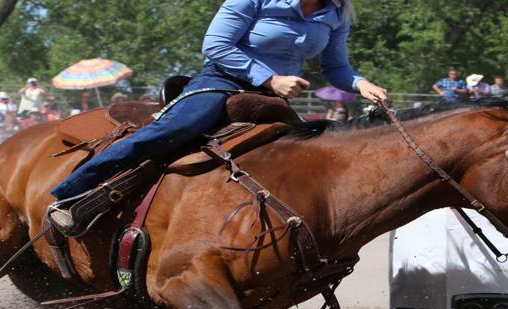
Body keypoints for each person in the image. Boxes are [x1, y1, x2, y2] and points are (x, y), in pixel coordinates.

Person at [48, 0, 393, 235]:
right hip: (224, 81)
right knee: (175, 129)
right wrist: (270, 79)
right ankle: (73, 192)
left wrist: (363, 84)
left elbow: (336, 67)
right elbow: (216, 45)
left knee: (313, 156)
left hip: (273, 97)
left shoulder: (335, 13)